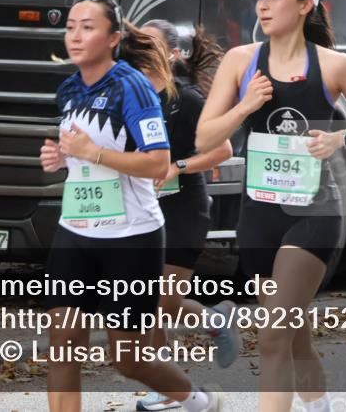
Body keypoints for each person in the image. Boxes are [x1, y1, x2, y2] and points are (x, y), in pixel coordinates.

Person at [194, 0, 346, 412]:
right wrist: (245, 105)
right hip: (258, 216)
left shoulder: (334, 65)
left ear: (305, 5)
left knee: (272, 336)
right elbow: (205, 138)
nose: (263, 5)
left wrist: (341, 139)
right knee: (294, 337)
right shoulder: (241, 61)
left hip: (314, 214)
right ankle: (320, 406)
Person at [39, 0, 223, 412]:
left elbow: (157, 163)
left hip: (130, 238)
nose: (75, 36)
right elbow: (83, 153)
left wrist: (92, 154)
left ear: (113, 38)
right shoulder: (69, 89)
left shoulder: (132, 86)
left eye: (88, 27)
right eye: (71, 27)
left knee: (129, 360)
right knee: (62, 344)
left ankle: (197, 401)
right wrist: (61, 158)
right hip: (76, 231)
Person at [132, 20, 236, 411]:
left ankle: (171, 386)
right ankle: (210, 324)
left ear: (173, 54)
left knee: (159, 299)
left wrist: (177, 166)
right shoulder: (132, 97)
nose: (141, 51)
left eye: (151, 44)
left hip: (184, 209)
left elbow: (223, 150)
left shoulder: (187, 99)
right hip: (144, 209)